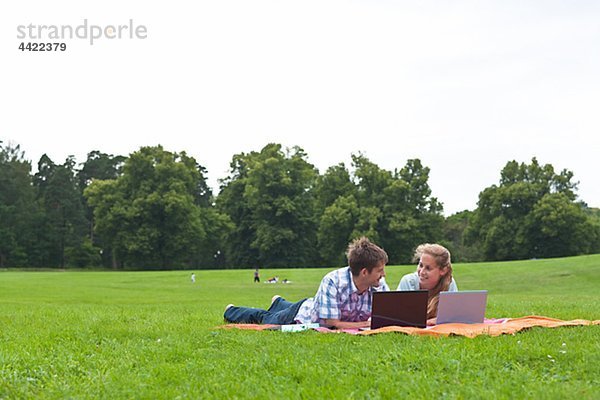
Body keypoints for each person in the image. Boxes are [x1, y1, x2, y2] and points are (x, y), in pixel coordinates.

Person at [224, 237, 389, 329]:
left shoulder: (378, 284)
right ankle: (231, 310)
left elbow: (387, 316)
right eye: (380, 270)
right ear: (364, 272)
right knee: (266, 318)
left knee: (281, 308)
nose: (383, 274)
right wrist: (366, 324)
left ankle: (279, 302)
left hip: (313, 304)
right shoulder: (333, 281)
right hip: (302, 316)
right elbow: (331, 324)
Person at [397, 243, 457, 325]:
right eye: (420, 265)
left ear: (443, 270)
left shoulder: (449, 283)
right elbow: (399, 316)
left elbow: (453, 316)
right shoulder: (408, 282)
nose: (421, 272)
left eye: (428, 268)